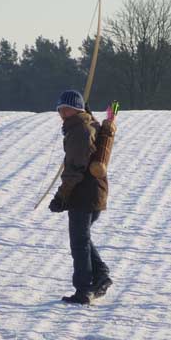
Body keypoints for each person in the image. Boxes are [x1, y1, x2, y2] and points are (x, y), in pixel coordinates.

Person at [49, 90, 112, 305]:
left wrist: (61, 197)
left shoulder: (79, 132)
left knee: (79, 242)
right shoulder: (86, 124)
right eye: (60, 109)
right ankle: (101, 275)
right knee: (82, 239)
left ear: (76, 109)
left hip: (84, 193)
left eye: (66, 109)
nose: (62, 113)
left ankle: (84, 290)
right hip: (93, 193)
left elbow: (74, 169)